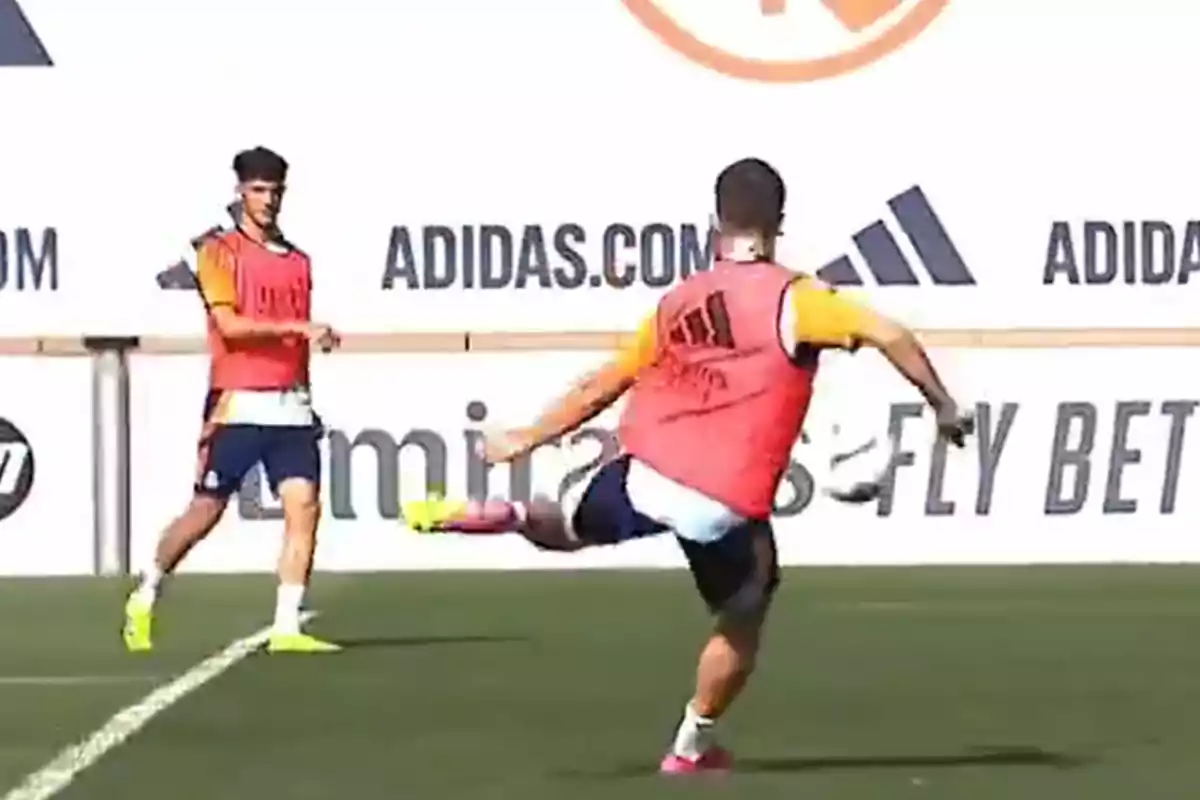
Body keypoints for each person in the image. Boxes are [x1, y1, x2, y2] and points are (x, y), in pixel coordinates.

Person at [404, 157, 974, 773]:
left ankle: (509, 512)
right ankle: (690, 747)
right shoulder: (797, 299)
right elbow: (890, 333)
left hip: (648, 468)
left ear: (715, 222)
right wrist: (941, 405)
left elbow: (603, 384)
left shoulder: (678, 300)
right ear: (778, 223)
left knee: (565, 532)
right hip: (720, 501)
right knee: (746, 607)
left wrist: (524, 438)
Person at [124, 146, 341, 654]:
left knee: (304, 505)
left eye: (276, 191)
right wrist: (298, 328)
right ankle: (148, 589)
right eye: (260, 190)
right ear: (241, 192)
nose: (269, 200)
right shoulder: (218, 252)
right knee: (206, 511)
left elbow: (293, 341)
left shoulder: (299, 261)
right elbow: (230, 325)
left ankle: (287, 625)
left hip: (290, 403)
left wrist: (306, 369)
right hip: (238, 402)